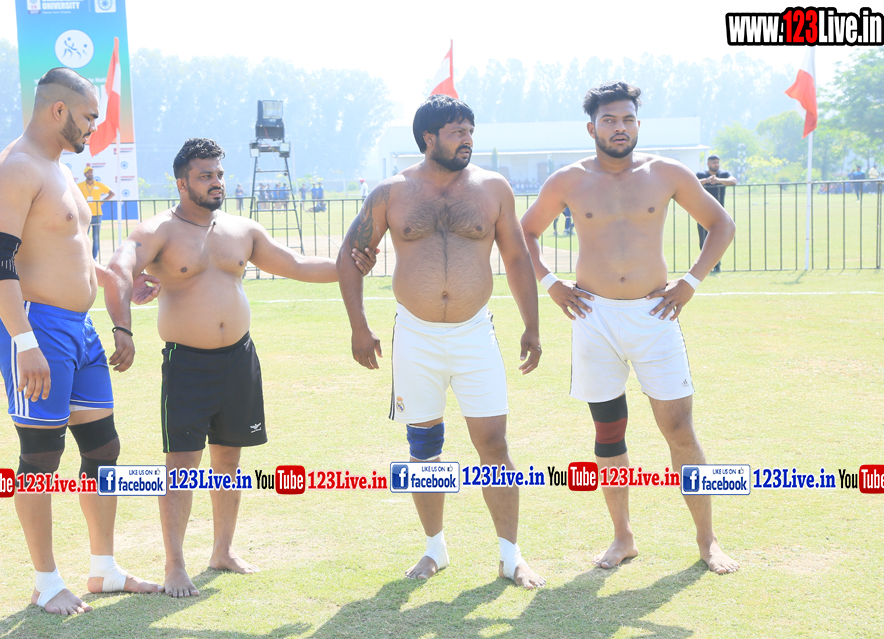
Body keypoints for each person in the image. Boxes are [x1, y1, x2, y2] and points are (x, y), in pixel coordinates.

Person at [102, 137, 378, 598]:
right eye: (205, 176)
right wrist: (124, 325)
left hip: (239, 359)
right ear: (182, 183)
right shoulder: (159, 231)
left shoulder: (242, 230)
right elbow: (117, 268)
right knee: (181, 465)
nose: (216, 182)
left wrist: (350, 264)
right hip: (187, 364)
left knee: (228, 460)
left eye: (219, 174)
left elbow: (295, 264)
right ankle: (175, 565)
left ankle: (222, 551)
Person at [519, 81, 739, 575]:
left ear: (638, 124)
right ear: (591, 128)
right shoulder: (569, 180)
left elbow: (721, 224)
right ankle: (623, 537)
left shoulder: (666, 173)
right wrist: (551, 283)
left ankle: (708, 541)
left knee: (679, 429)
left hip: (655, 315)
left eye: (627, 119)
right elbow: (523, 231)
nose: (619, 128)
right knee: (608, 433)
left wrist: (690, 282)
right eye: (609, 120)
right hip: (592, 317)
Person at [336, 95, 545, 589]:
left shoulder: (492, 188)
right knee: (424, 446)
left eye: (470, 130)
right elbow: (350, 254)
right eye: (457, 131)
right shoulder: (391, 192)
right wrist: (359, 326)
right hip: (416, 335)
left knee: (493, 443)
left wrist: (532, 325)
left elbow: (517, 258)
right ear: (429, 138)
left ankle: (510, 556)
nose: (467, 139)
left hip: (475, 333)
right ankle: (435, 549)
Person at [0, 67, 163, 615]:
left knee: (103, 448)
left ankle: (104, 569)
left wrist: (118, 290)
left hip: (79, 330)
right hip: (37, 327)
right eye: (88, 117)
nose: (93, 127)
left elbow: (72, 253)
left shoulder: (58, 169)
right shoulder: (15, 167)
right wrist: (25, 343)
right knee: (41, 455)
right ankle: (45, 581)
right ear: (58, 110)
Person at [696, 155, 736, 273]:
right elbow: (692, 183)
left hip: (719, 214)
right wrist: (706, 181)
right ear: (708, 164)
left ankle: (717, 266)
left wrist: (718, 180)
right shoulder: (701, 174)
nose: (716, 164)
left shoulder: (723, 174)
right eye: (714, 162)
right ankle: (706, 266)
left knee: (718, 240)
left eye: (718, 162)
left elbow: (733, 181)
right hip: (702, 212)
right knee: (703, 241)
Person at [77, 167, 115, 260]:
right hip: (85, 214)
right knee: (84, 236)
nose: (90, 174)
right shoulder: (80, 185)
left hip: (97, 214)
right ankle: (85, 256)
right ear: (85, 174)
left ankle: (94, 257)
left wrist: (102, 201)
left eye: (91, 172)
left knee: (96, 237)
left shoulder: (99, 185)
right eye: (88, 173)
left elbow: (112, 193)